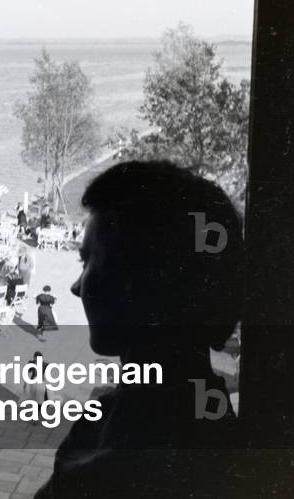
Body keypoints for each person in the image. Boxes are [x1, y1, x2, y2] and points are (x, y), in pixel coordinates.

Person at [35, 161, 243, 499]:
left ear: (140, 283)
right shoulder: (208, 417)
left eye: (89, 262)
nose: (76, 286)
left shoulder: (113, 470)